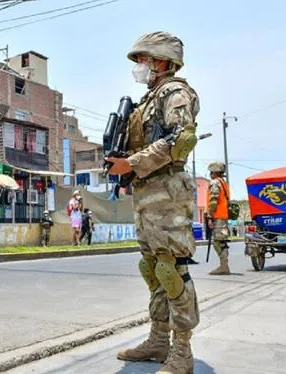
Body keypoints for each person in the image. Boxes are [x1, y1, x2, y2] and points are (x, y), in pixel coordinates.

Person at [107, 31, 200, 373]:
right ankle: (159, 341)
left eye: (144, 60)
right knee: (152, 269)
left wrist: (130, 164)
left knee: (170, 269)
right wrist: (125, 172)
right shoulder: (148, 99)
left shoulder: (175, 93)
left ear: (161, 61)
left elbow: (181, 139)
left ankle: (183, 352)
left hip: (168, 194)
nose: (139, 67)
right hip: (147, 193)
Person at [206, 162, 231, 276]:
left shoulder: (215, 183)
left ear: (214, 172)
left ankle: (224, 266)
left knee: (218, 242)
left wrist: (210, 217)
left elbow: (213, 201)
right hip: (224, 215)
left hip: (218, 216)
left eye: (211, 172)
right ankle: (224, 265)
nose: (210, 174)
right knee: (222, 242)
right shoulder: (223, 183)